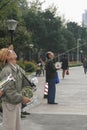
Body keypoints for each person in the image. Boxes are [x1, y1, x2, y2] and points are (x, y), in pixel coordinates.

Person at [0, 45, 31, 130]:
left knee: (17, 127)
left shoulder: (16, 67)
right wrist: (22, 98)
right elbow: (9, 91)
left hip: (16, 102)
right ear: (6, 57)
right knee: (9, 127)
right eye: (10, 52)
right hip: (9, 103)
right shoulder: (6, 71)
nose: (13, 51)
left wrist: (28, 90)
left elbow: (24, 78)